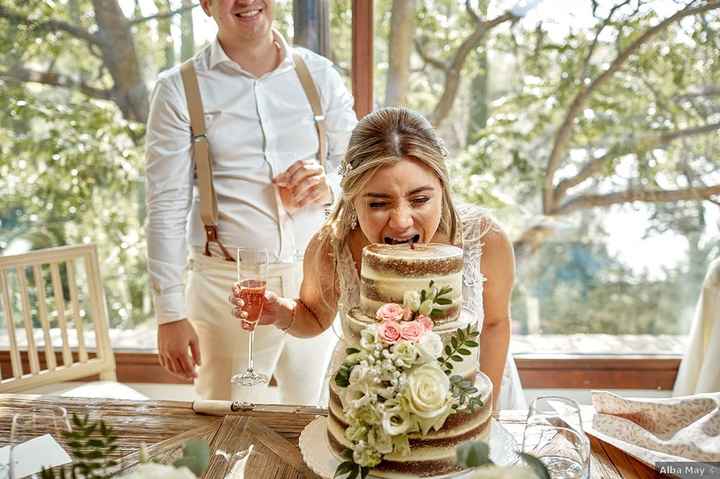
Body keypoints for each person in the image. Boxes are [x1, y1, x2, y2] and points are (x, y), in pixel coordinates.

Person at [231, 107, 526, 409]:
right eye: (378, 203)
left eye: (420, 199)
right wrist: (279, 312)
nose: (401, 221)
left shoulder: (484, 238)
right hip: (369, 404)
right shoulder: (332, 246)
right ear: (352, 197)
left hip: (475, 390)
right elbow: (315, 316)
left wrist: (482, 410)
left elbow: (495, 325)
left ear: (442, 188)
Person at [145, 0, 357, 402]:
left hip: (316, 279)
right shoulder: (178, 88)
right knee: (223, 425)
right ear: (207, 5)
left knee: (320, 422)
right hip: (226, 288)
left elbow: (361, 166)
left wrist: (330, 183)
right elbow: (165, 207)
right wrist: (170, 313)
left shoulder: (318, 74)